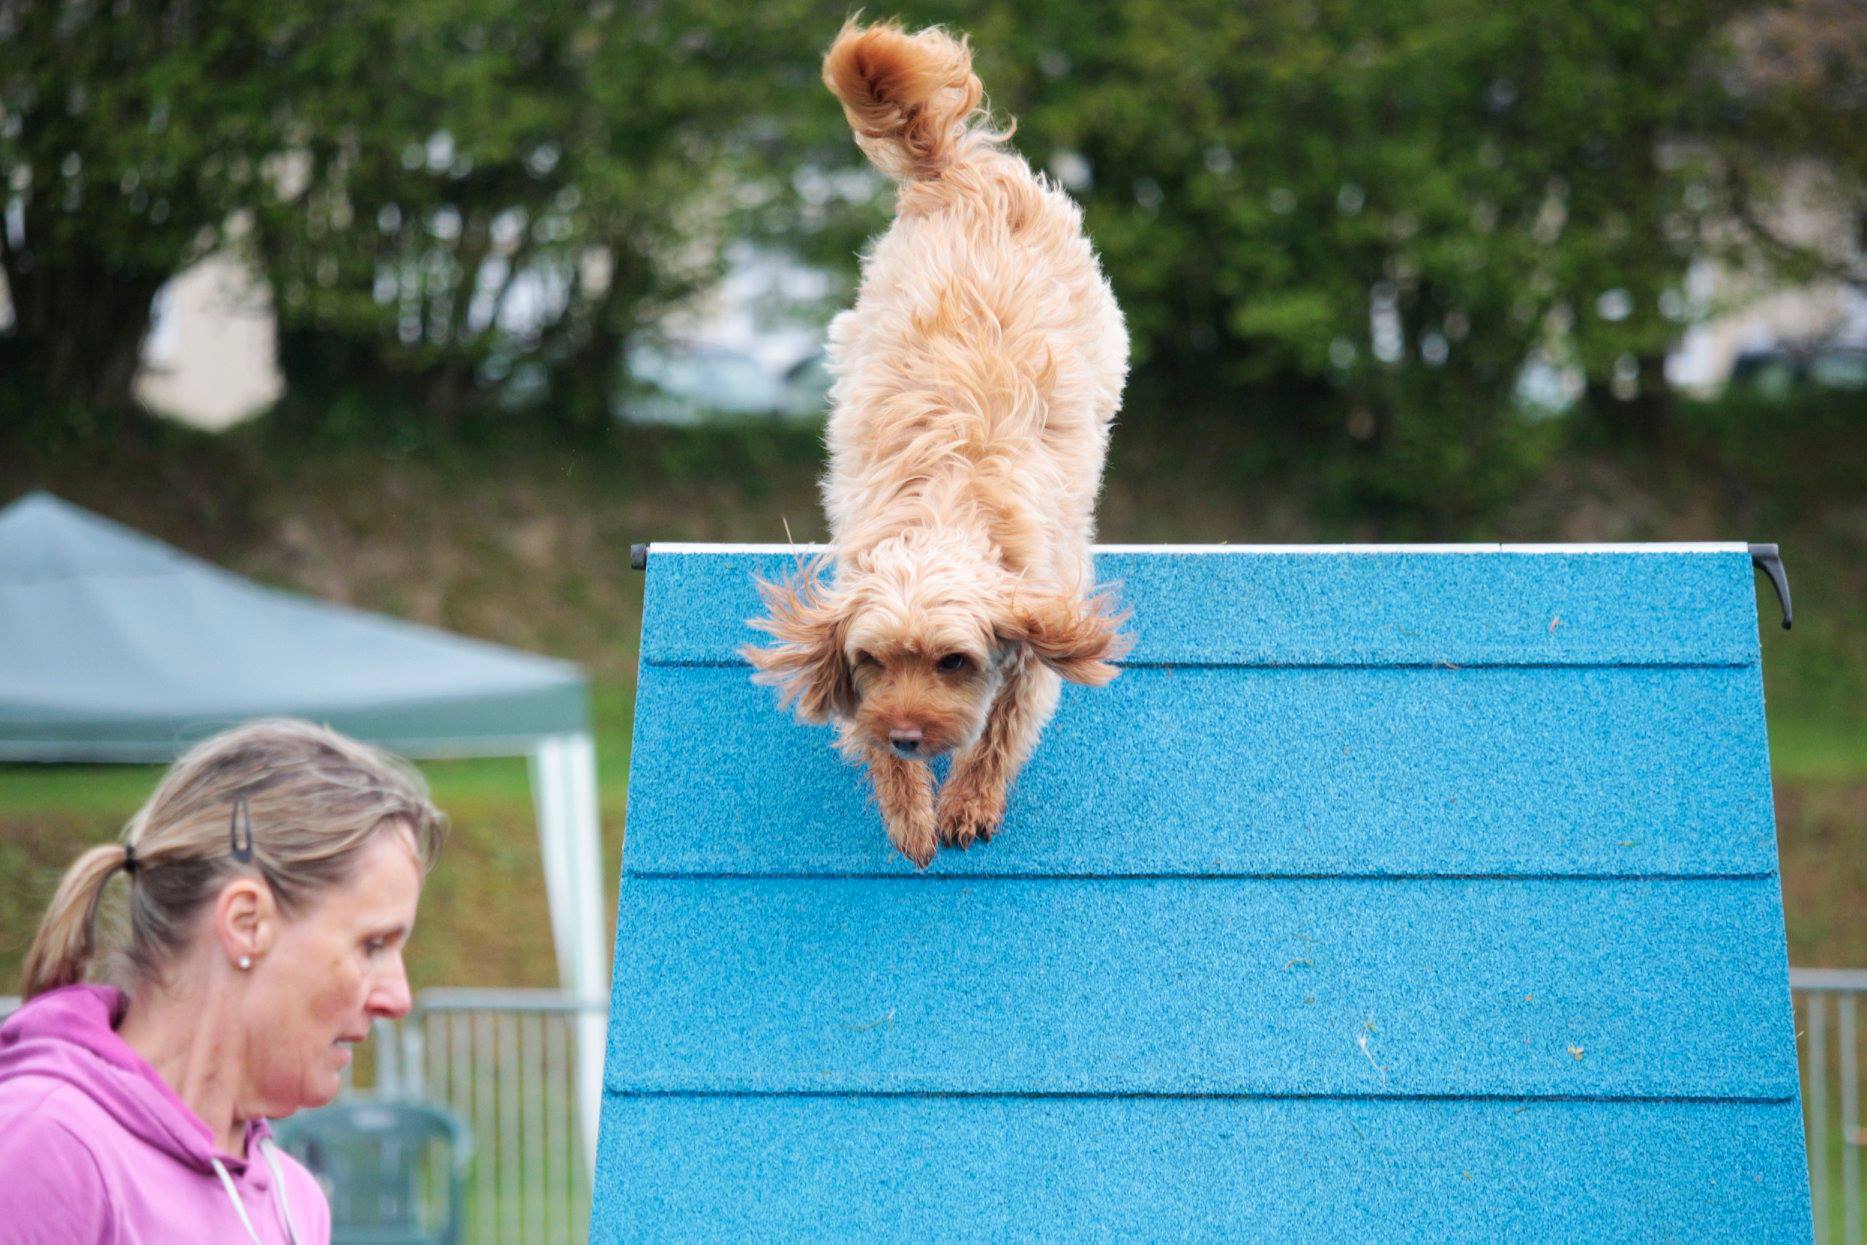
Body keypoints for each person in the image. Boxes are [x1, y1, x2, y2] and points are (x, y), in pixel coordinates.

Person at [0, 719, 447, 1243]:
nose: (398, 998)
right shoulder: (44, 1149)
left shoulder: (295, 1201)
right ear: (246, 923)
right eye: (372, 945)